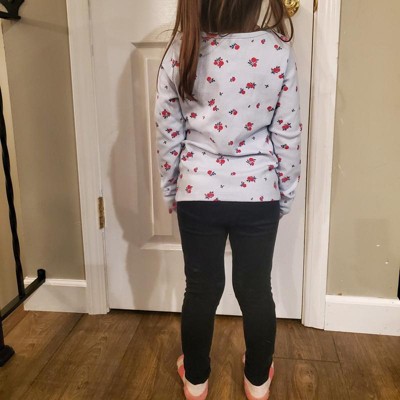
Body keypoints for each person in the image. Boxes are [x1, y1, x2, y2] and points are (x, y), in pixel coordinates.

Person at [154, 1, 302, 398]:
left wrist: (171, 189)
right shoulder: (276, 50)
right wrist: (284, 195)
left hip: (197, 193)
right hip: (259, 194)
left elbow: (168, 135)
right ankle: (257, 380)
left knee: (201, 289)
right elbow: (287, 135)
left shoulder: (181, 49)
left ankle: (196, 380)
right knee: (255, 289)